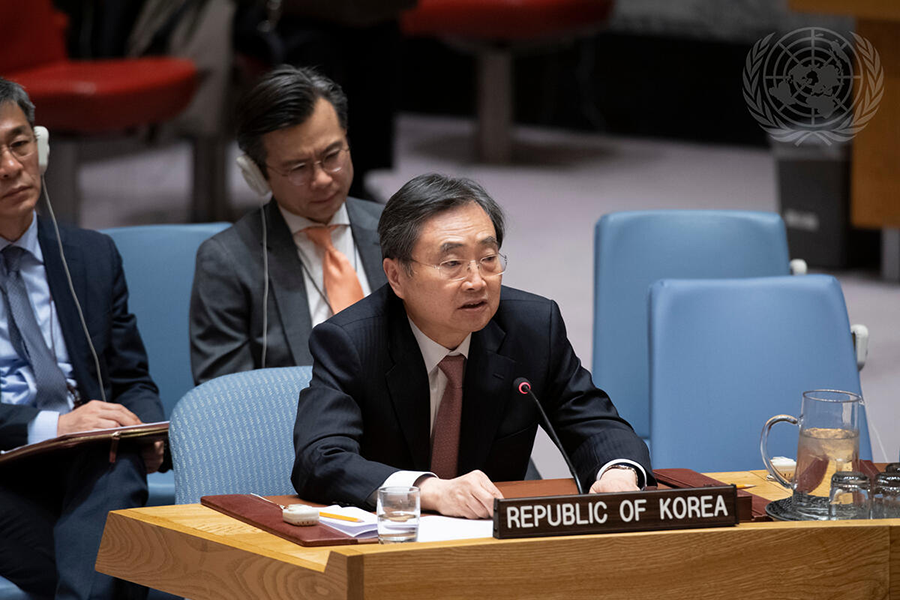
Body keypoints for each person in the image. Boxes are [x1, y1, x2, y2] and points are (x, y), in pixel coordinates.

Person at [292, 173, 654, 519]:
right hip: (392, 543)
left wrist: (618, 474)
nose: (477, 281)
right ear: (396, 276)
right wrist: (429, 491)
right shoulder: (352, 342)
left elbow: (595, 422)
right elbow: (321, 459)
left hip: (497, 540)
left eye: (488, 258)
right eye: (452, 263)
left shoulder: (532, 328)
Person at [0, 78, 164, 599]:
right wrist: (56, 425)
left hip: (91, 461)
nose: (8, 167)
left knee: (116, 463)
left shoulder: (91, 255)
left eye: (18, 143)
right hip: (5, 469)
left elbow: (131, 376)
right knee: (130, 574)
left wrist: (143, 426)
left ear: (40, 147)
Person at [190, 65, 386, 384]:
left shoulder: (396, 228)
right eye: (298, 168)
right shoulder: (226, 263)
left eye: (332, 155)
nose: (322, 179)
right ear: (257, 174)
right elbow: (225, 401)